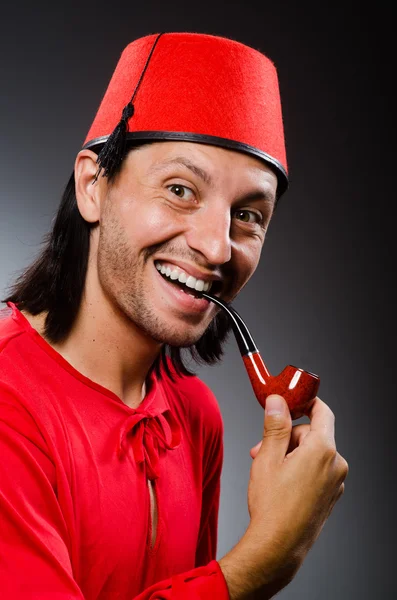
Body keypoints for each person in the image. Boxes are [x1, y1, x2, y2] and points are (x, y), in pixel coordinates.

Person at [0, 32, 348, 599]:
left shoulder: (195, 414)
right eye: (180, 189)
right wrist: (262, 560)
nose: (217, 248)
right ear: (94, 186)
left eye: (248, 216)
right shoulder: (7, 405)